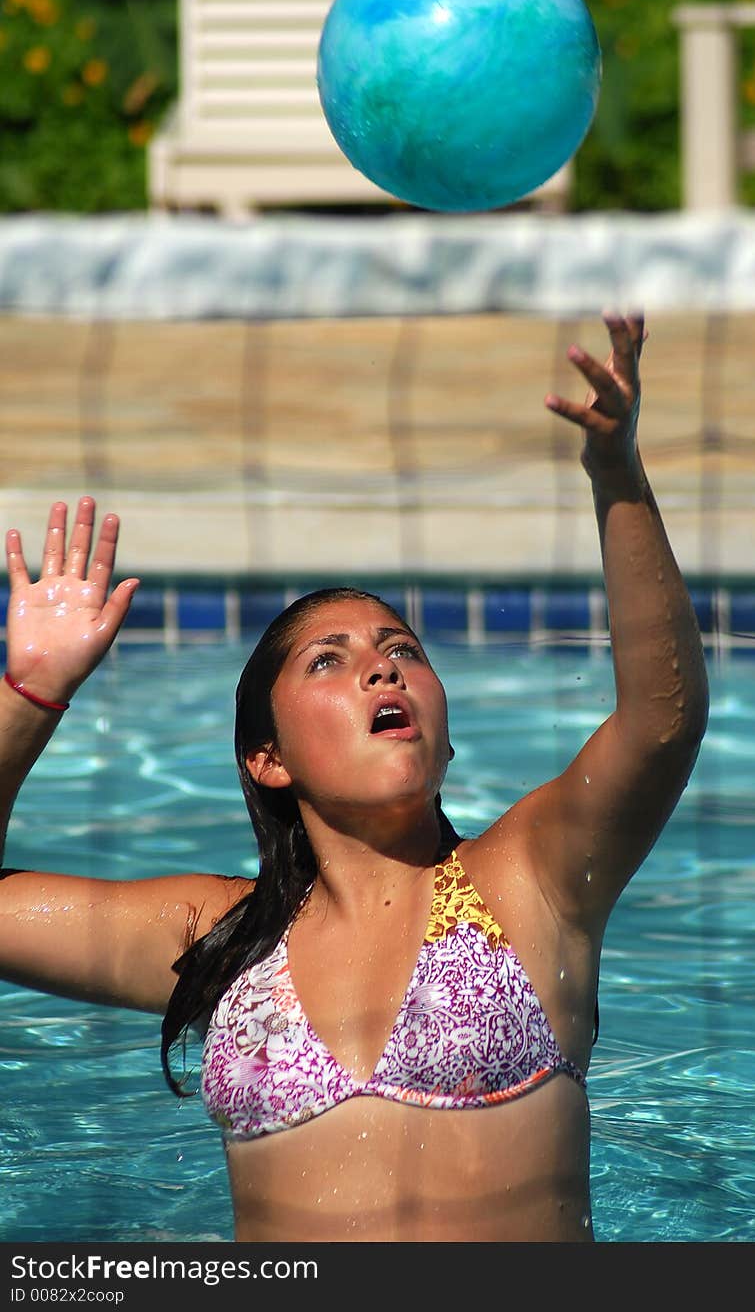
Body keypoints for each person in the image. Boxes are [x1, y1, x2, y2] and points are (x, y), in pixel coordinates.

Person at [0, 313, 708, 1243]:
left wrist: (616, 478)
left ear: (444, 734)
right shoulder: (217, 941)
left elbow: (660, 722)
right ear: (269, 757)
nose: (382, 670)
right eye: (328, 661)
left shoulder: (530, 879)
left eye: (401, 650)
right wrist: (30, 691)